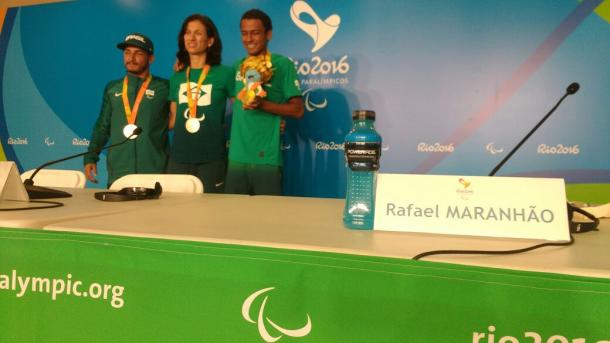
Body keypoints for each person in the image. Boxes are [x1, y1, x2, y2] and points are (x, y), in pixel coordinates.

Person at [225, 9, 304, 195]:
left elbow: (298, 110)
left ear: (269, 34)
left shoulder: (282, 64)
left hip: (266, 158)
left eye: (255, 32)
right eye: (244, 33)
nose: (249, 39)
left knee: (267, 220)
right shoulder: (237, 66)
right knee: (232, 219)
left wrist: (263, 105)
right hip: (236, 157)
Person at [84, 33, 169, 187]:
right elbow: (102, 126)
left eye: (139, 53)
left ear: (151, 59)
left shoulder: (164, 87)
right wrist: (91, 157)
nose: (131, 58)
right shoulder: (113, 88)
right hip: (119, 171)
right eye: (127, 53)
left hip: (155, 171)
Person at [167, 14, 234, 193]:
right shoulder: (176, 77)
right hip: (178, 158)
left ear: (210, 41)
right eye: (188, 33)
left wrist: (270, 123)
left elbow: (243, 111)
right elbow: (172, 120)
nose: (191, 38)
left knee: (210, 216)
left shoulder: (226, 74)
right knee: (175, 216)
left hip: (211, 158)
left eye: (198, 33)